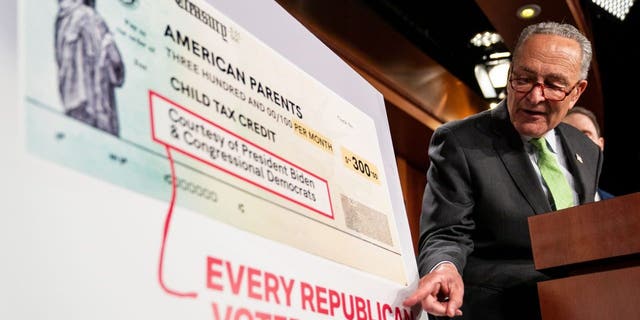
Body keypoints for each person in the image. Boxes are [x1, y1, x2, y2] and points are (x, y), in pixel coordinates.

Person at [402, 22, 602, 320]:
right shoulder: (459, 141)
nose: (535, 96)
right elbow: (446, 234)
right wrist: (444, 268)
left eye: (554, 85)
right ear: (510, 73)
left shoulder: (587, 150)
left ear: (576, 92)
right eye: (524, 78)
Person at [55, 0, 125, 136]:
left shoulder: (62, 20)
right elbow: (116, 69)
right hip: (96, 110)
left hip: (73, 102)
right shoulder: (90, 18)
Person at [562, 106, 614, 200]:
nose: (578, 141)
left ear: (600, 144)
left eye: (586, 135)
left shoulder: (618, 207)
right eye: (569, 135)